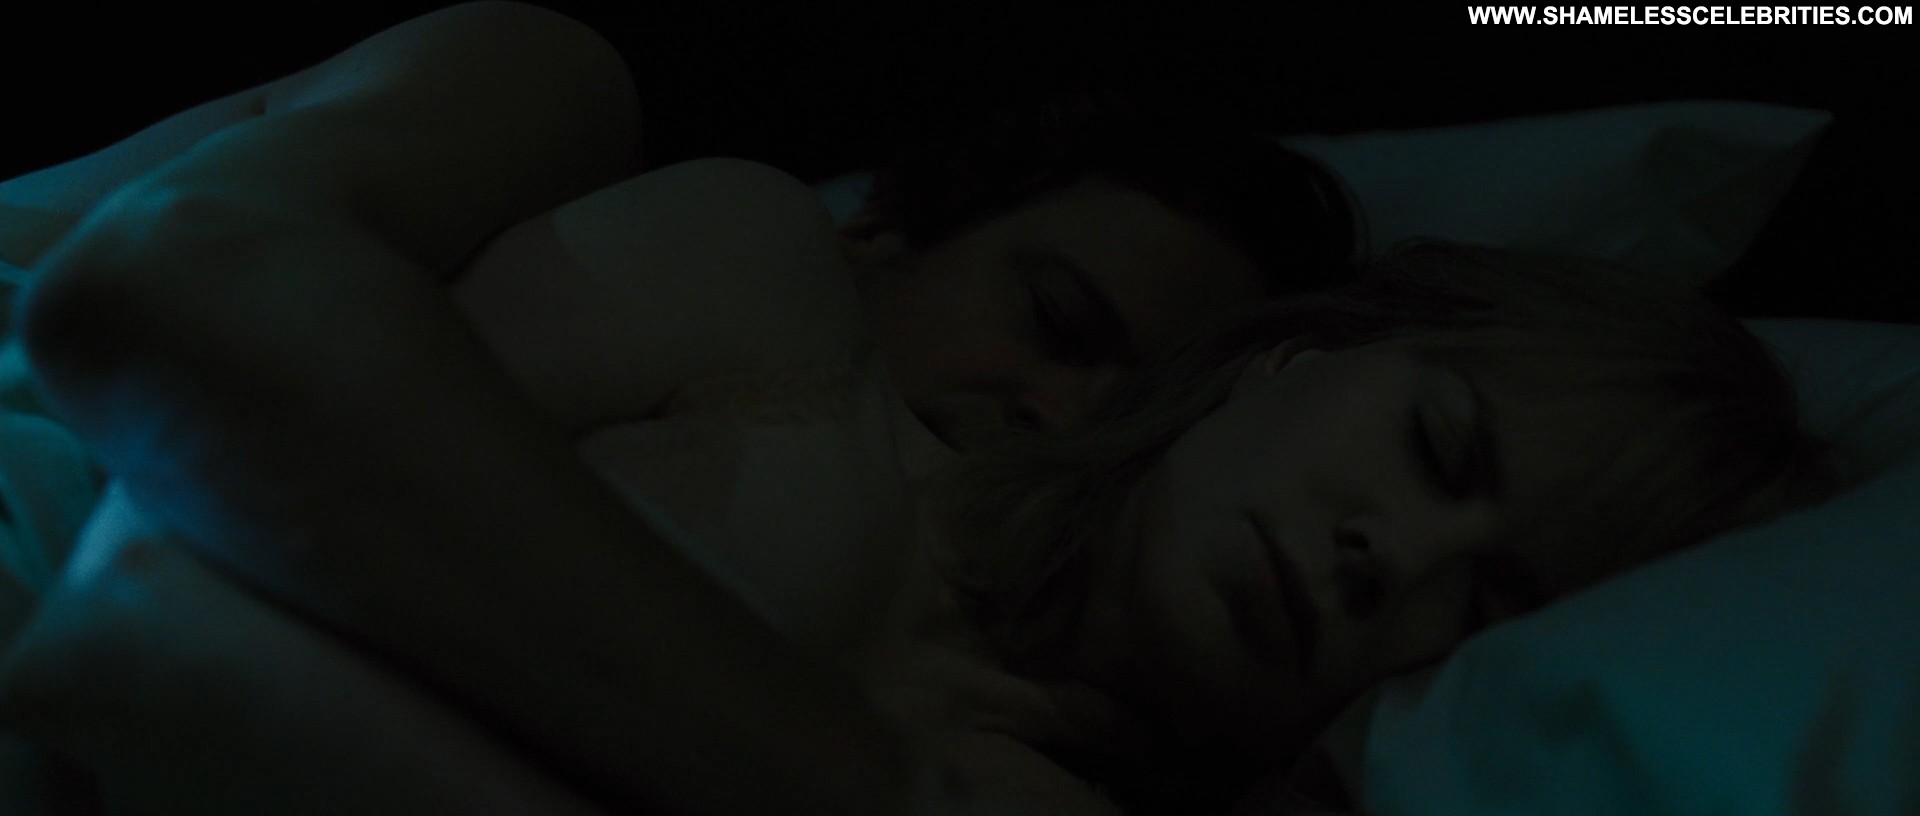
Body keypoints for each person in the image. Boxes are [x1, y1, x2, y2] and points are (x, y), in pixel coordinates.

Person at [1, 4, 1832, 815]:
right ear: (1279, 366)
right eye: (1433, 453)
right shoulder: (757, 299)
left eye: (1485, 603)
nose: (1393, 563)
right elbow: (136, 621)